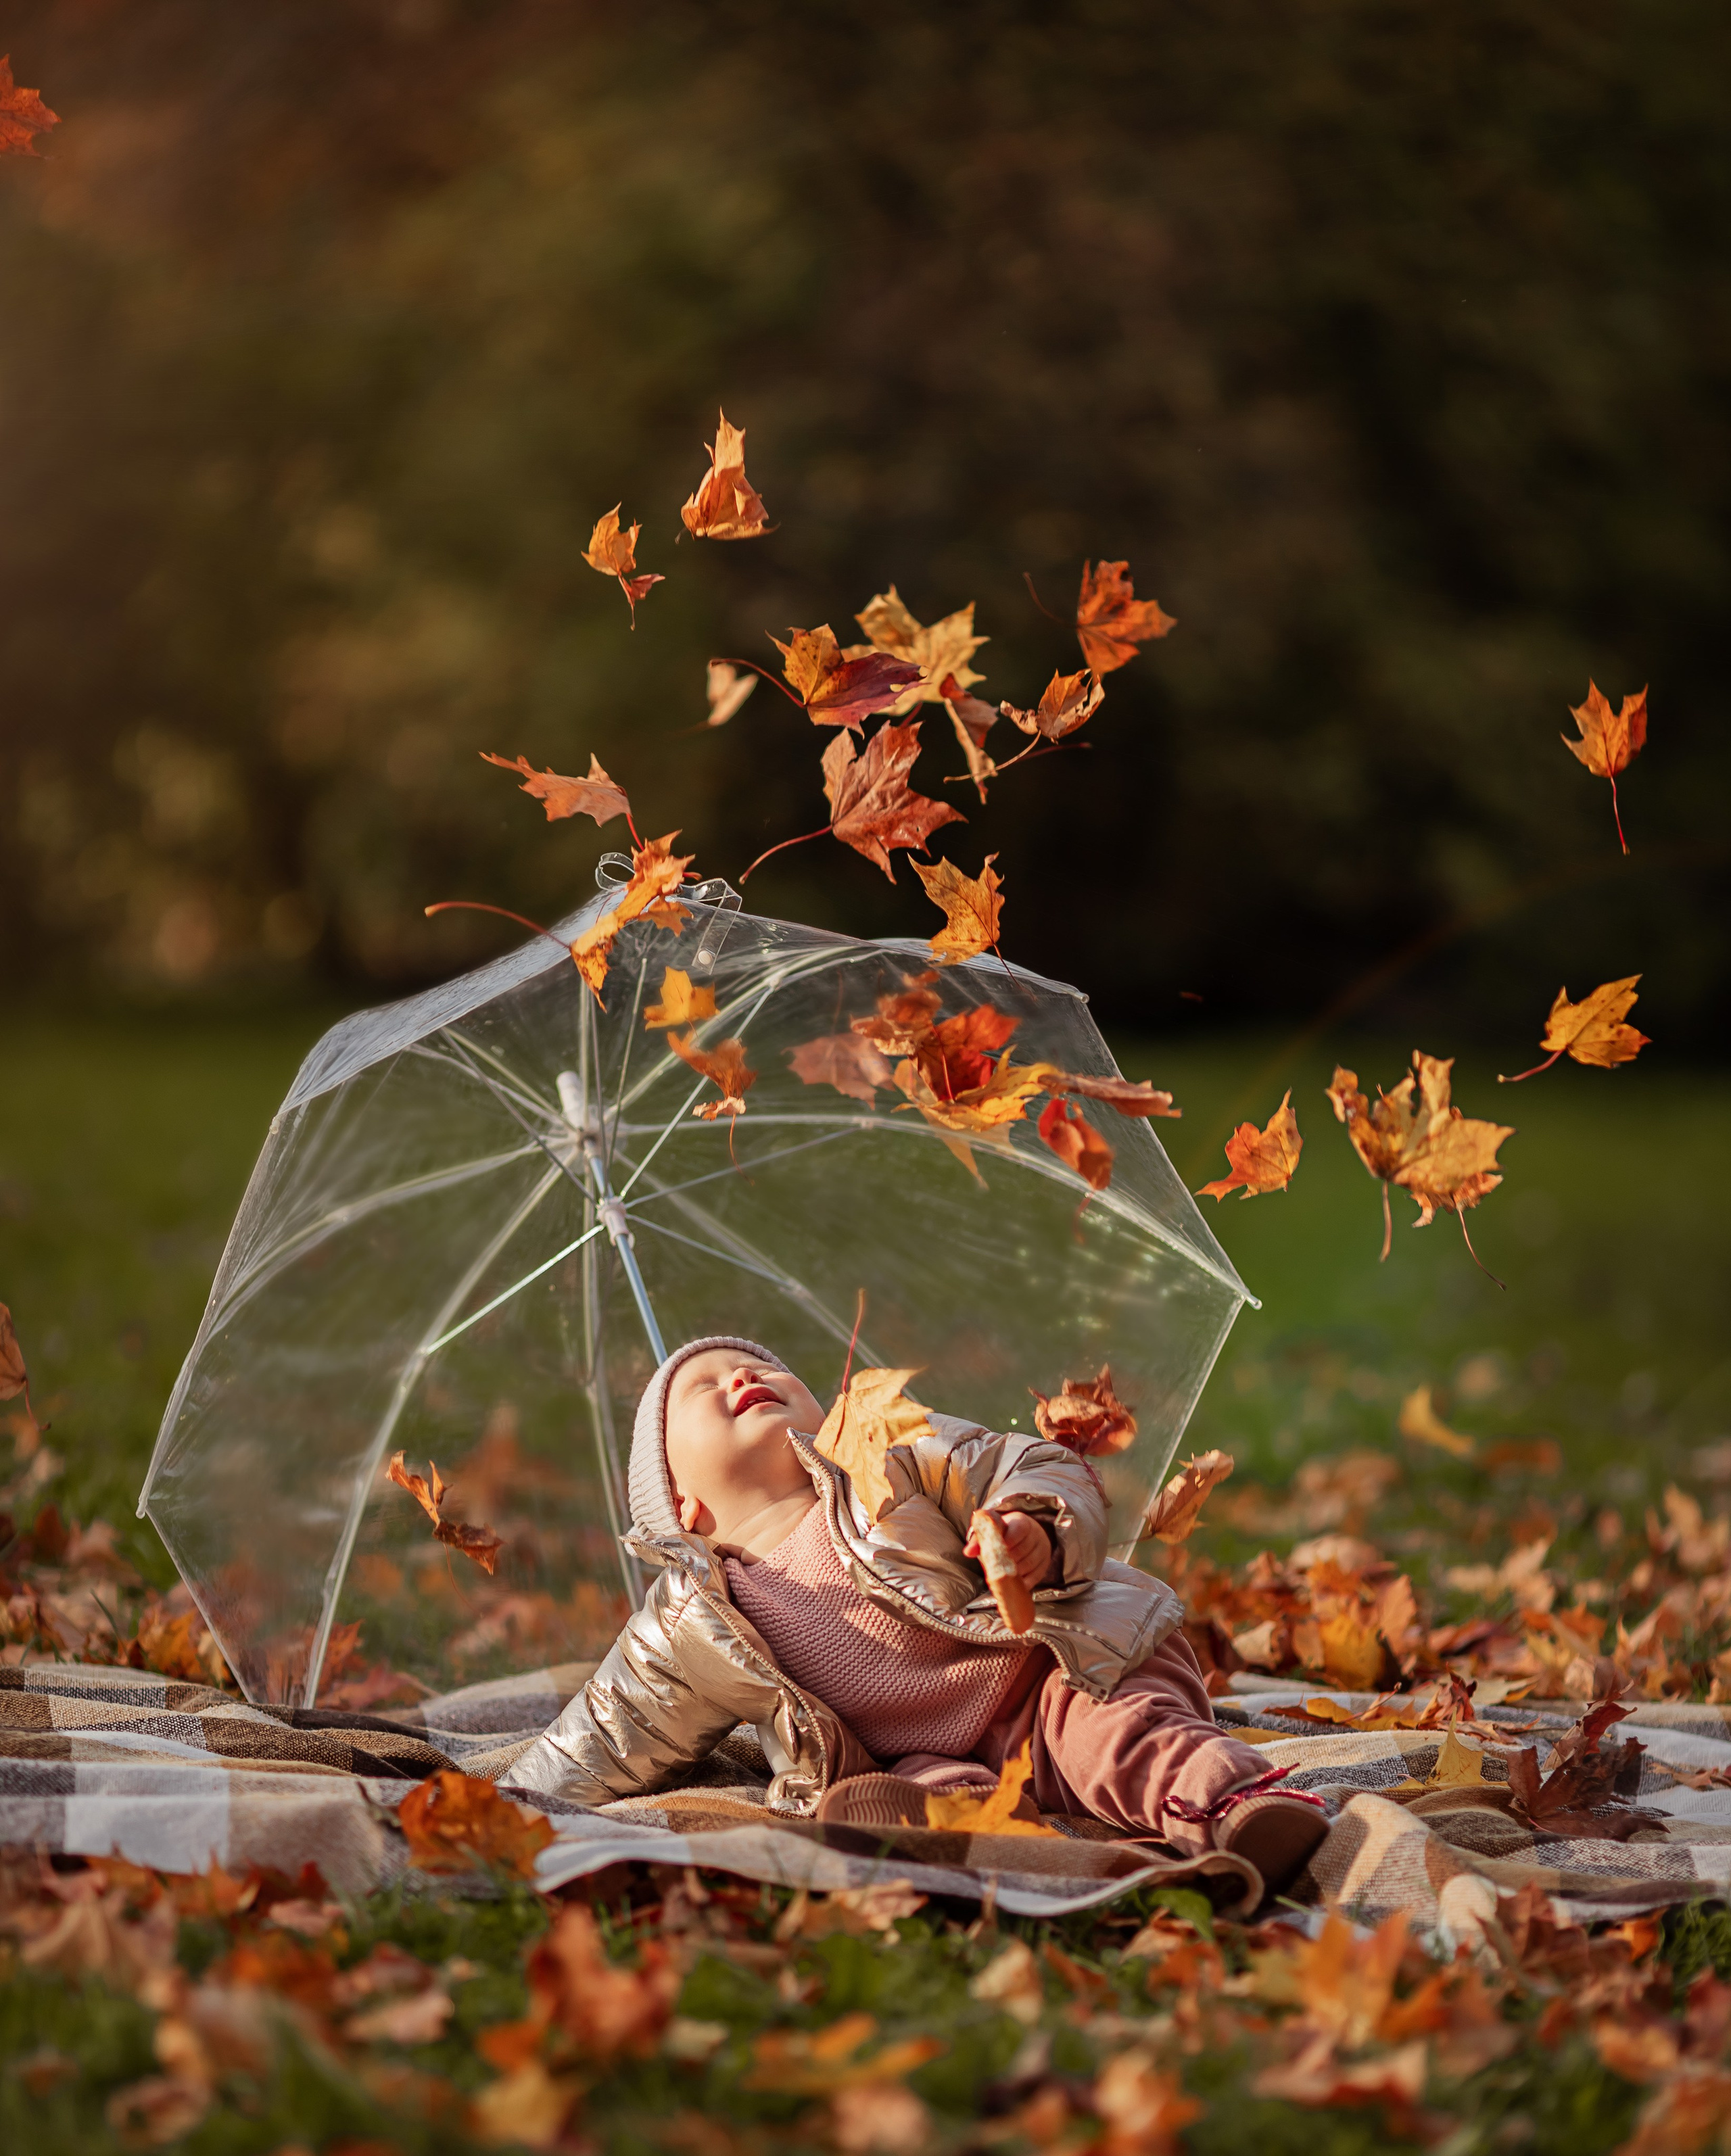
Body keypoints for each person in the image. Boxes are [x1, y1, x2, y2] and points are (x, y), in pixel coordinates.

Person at [506, 1335, 1327, 1890]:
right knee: (905, 1787)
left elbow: (1024, 1463)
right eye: (699, 1387)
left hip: (1053, 1664)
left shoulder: (888, 1450)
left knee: (1117, 1738)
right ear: (679, 1505)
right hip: (931, 1748)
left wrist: (1031, 1526)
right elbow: (613, 1724)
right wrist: (513, 1803)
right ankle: (967, 1836)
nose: (737, 1376)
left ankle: (1230, 1804)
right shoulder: (696, 1616)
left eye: (759, 1366)